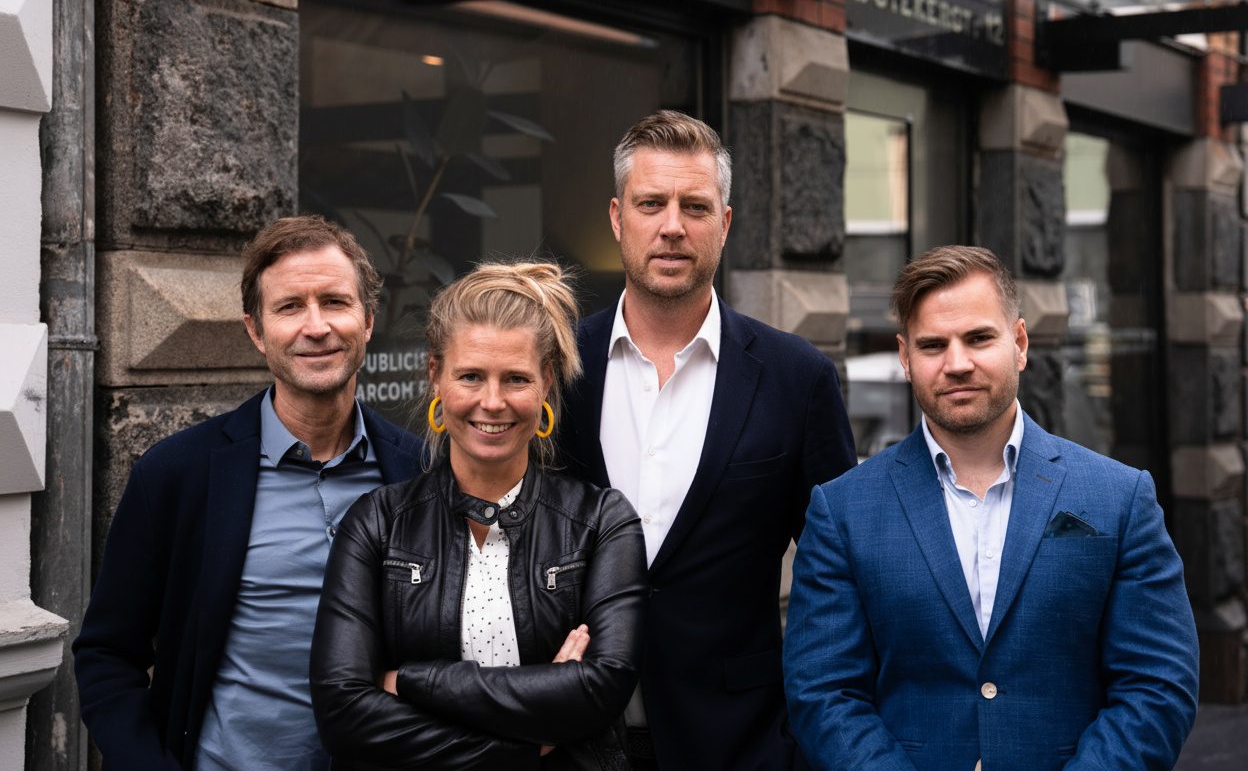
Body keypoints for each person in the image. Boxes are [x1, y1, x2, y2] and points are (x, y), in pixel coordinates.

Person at [784, 245, 1200, 771]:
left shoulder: (1120, 497)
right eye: (933, 345)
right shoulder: (842, 511)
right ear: (906, 358)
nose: (957, 364)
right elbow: (823, 693)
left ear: (1020, 343)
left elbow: (1158, 685)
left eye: (979, 338)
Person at [559, 110, 858, 769]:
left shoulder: (795, 377)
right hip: (573, 738)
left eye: (695, 206)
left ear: (723, 223)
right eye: (651, 203)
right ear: (617, 218)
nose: (672, 225)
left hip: (740, 741)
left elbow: (842, 577)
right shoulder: (559, 366)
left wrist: (807, 734)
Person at [73, 216, 424, 770]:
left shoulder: (419, 474)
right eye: (289, 307)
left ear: (368, 321)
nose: (316, 327)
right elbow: (107, 654)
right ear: (256, 331)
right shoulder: (178, 475)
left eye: (335, 301)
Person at [310, 261, 646, 769]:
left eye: (515, 378)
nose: (493, 402)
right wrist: (529, 739)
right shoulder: (378, 524)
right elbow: (343, 711)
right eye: (470, 376)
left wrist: (409, 682)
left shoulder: (601, 522)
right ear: (435, 376)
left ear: (545, 383)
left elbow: (601, 689)